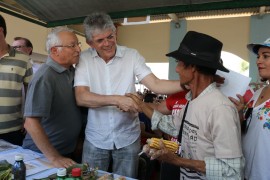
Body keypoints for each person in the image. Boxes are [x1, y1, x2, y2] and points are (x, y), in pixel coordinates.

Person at [74, 12, 183, 178]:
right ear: (90, 43)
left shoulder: (131, 55)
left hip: (128, 137)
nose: (107, 43)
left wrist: (187, 84)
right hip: (96, 138)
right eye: (100, 40)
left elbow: (156, 84)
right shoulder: (84, 59)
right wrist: (117, 99)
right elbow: (81, 97)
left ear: (115, 33)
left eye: (110, 37)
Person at [131, 31, 244, 179]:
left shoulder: (220, 109)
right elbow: (172, 126)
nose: (177, 69)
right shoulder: (192, 101)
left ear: (193, 68)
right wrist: (141, 105)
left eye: (179, 63)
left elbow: (233, 171)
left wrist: (177, 161)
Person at [22, 26, 82, 168]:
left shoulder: (72, 71)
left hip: (66, 153)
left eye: (78, 44)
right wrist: (54, 158)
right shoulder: (45, 77)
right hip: (42, 155)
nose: (78, 49)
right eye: (72, 45)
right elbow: (30, 123)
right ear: (55, 50)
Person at [230, 37, 270, 180]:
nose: (258, 61)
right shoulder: (258, 92)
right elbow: (248, 130)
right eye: (258, 56)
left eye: (266, 56)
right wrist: (240, 113)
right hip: (246, 172)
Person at [0, 14, 33, 146]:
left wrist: (29, 118)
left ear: (0, 30)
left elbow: (32, 91)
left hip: (12, 130)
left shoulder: (23, 59)